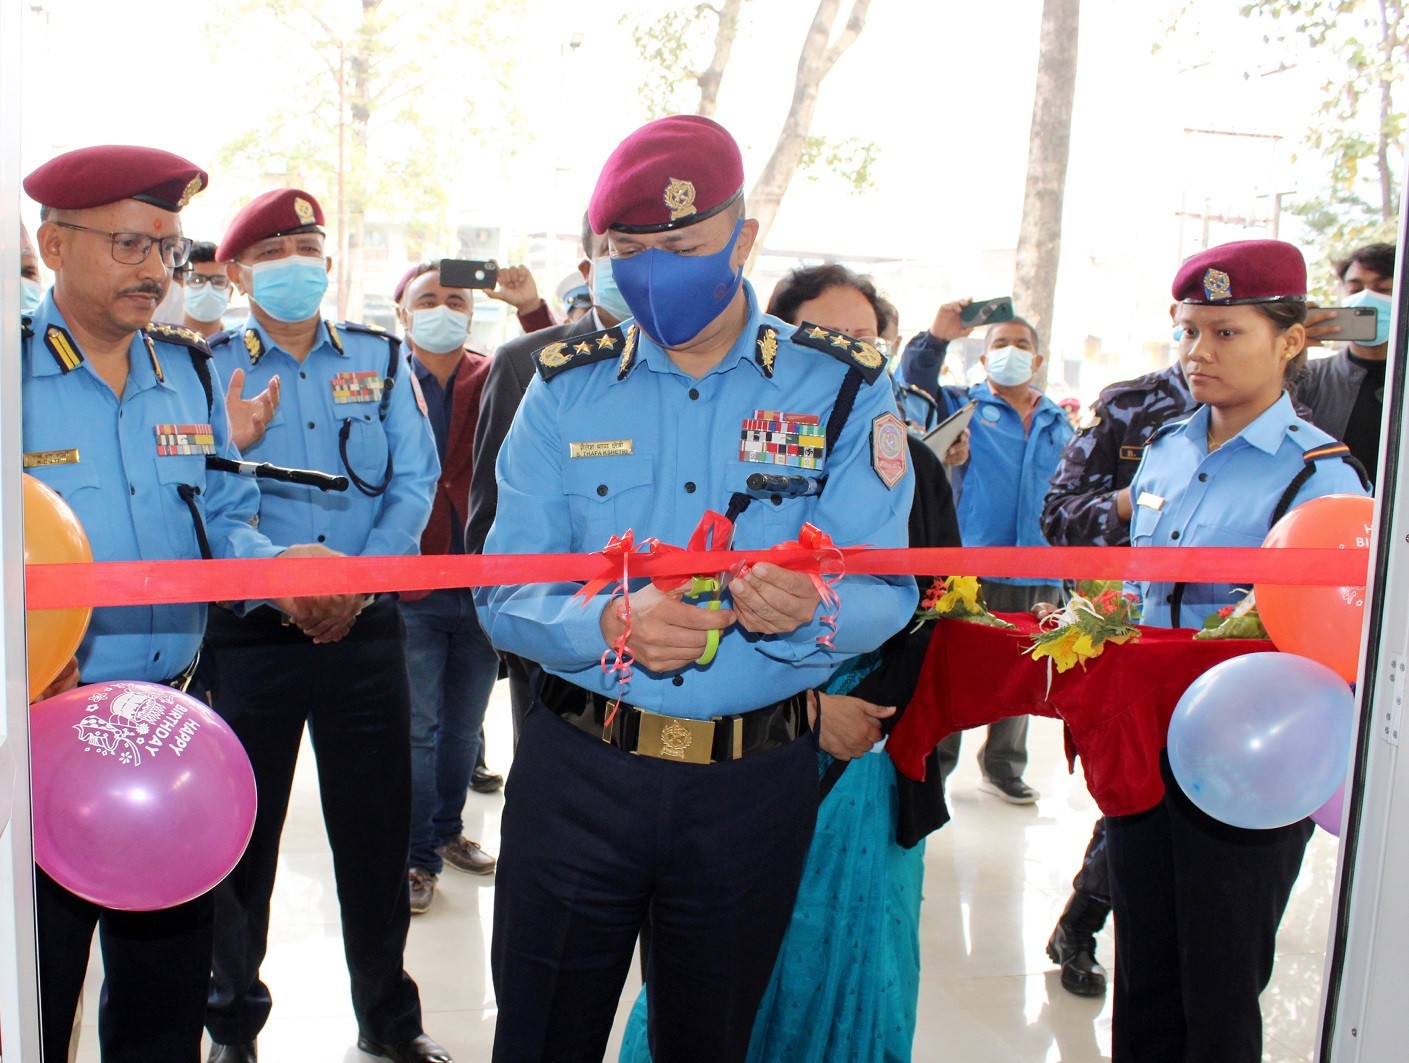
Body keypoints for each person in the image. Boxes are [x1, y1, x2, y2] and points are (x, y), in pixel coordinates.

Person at [476, 114, 917, 1063]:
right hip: (579, 774)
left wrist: (813, 615)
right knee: (540, 1035)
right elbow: (503, 587)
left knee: (708, 1040)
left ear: (742, 238)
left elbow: (890, 586)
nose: (652, 269)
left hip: (749, 788)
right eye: (627, 249)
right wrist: (599, 621)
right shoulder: (563, 388)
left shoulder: (837, 389)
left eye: (679, 245)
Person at [20, 144, 330, 1063]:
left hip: (169, 730)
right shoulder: (9, 380)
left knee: (161, 1005)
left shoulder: (189, 376)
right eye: (128, 244)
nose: (156, 270)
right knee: (34, 994)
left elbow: (223, 520)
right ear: (53, 243)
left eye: (169, 248)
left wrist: (283, 572)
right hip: (43, 742)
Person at [618, 262, 957, 1062]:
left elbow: (931, 607)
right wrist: (804, 711)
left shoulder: (911, 463)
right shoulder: (722, 447)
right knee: (708, 975)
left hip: (863, 747)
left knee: (851, 952)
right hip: (731, 743)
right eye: (831, 339)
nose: (851, 359)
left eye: (867, 342)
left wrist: (862, 721)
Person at [200, 189, 449, 1063]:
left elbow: (414, 483)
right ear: (236, 273)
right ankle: (232, 1023)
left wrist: (355, 583)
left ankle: (389, 1020)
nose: (294, 263)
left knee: (375, 835)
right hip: (254, 637)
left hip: (365, 629)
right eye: (272, 252)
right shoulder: (207, 369)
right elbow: (212, 503)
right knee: (242, 842)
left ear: (328, 261)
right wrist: (289, 586)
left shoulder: (382, 361)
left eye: (306, 245)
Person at [1107, 239, 1369, 1062]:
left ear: (1289, 341)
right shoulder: (1166, 450)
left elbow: (1327, 639)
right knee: (1142, 971)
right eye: (1188, 331)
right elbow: (1136, 591)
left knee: (1218, 987)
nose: (1196, 354)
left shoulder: (1321, 477)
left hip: (1246, 765)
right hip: (1143, 740)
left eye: (1225, 333)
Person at [1037, 359, 1195, 998]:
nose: (1207, 349)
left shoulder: (1298, 421)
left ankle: (1086, 922)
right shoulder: (1132, 406)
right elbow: (1060, 516)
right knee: (1134, 789)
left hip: (1224, 654)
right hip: (1128, 633)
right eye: (1196, 328)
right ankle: (1084, 925)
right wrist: (1133, 504)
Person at [465, 211, 626, 745]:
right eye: (621, 247)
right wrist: (516, 640)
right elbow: (489, 518)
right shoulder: (523, 363)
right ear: (589, 266)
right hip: (554, 649)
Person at [394, 261, 499, 916]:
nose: (442, 308)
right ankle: (414, 854)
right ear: (403, 314)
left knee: (464, 726)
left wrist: (533, 305)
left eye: (455, 298)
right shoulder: (380, 375)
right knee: (420, 726)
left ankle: (446, 828)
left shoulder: (496, 374)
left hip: (483, 579)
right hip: (411, 580)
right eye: (427, 299)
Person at [936, 315, 1073, 803]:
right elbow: (919, 378)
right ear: (983, 356)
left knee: (1024, 670)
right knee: (957, 666)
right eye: (1000, 343)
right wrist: (937, 336)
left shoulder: (1060, 420)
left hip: (1041, 566)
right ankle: (938, 765)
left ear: (1037, 361)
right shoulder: (962, 405)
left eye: (1021, 345)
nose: (1010, 351)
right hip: (972, 562)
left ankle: (1003, 766)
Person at [1300, 241, 1397, 482]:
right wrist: (1287, 355)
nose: (1367, 298)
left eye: (1383, 289)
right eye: (1356, 289)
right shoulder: (1311, 377)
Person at [182, 241, 234, 337]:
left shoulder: (240, 346)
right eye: (197, 280)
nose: (208, 289)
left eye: (218, 282)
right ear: (182, 286)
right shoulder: (159, 342)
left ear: (230, 292)